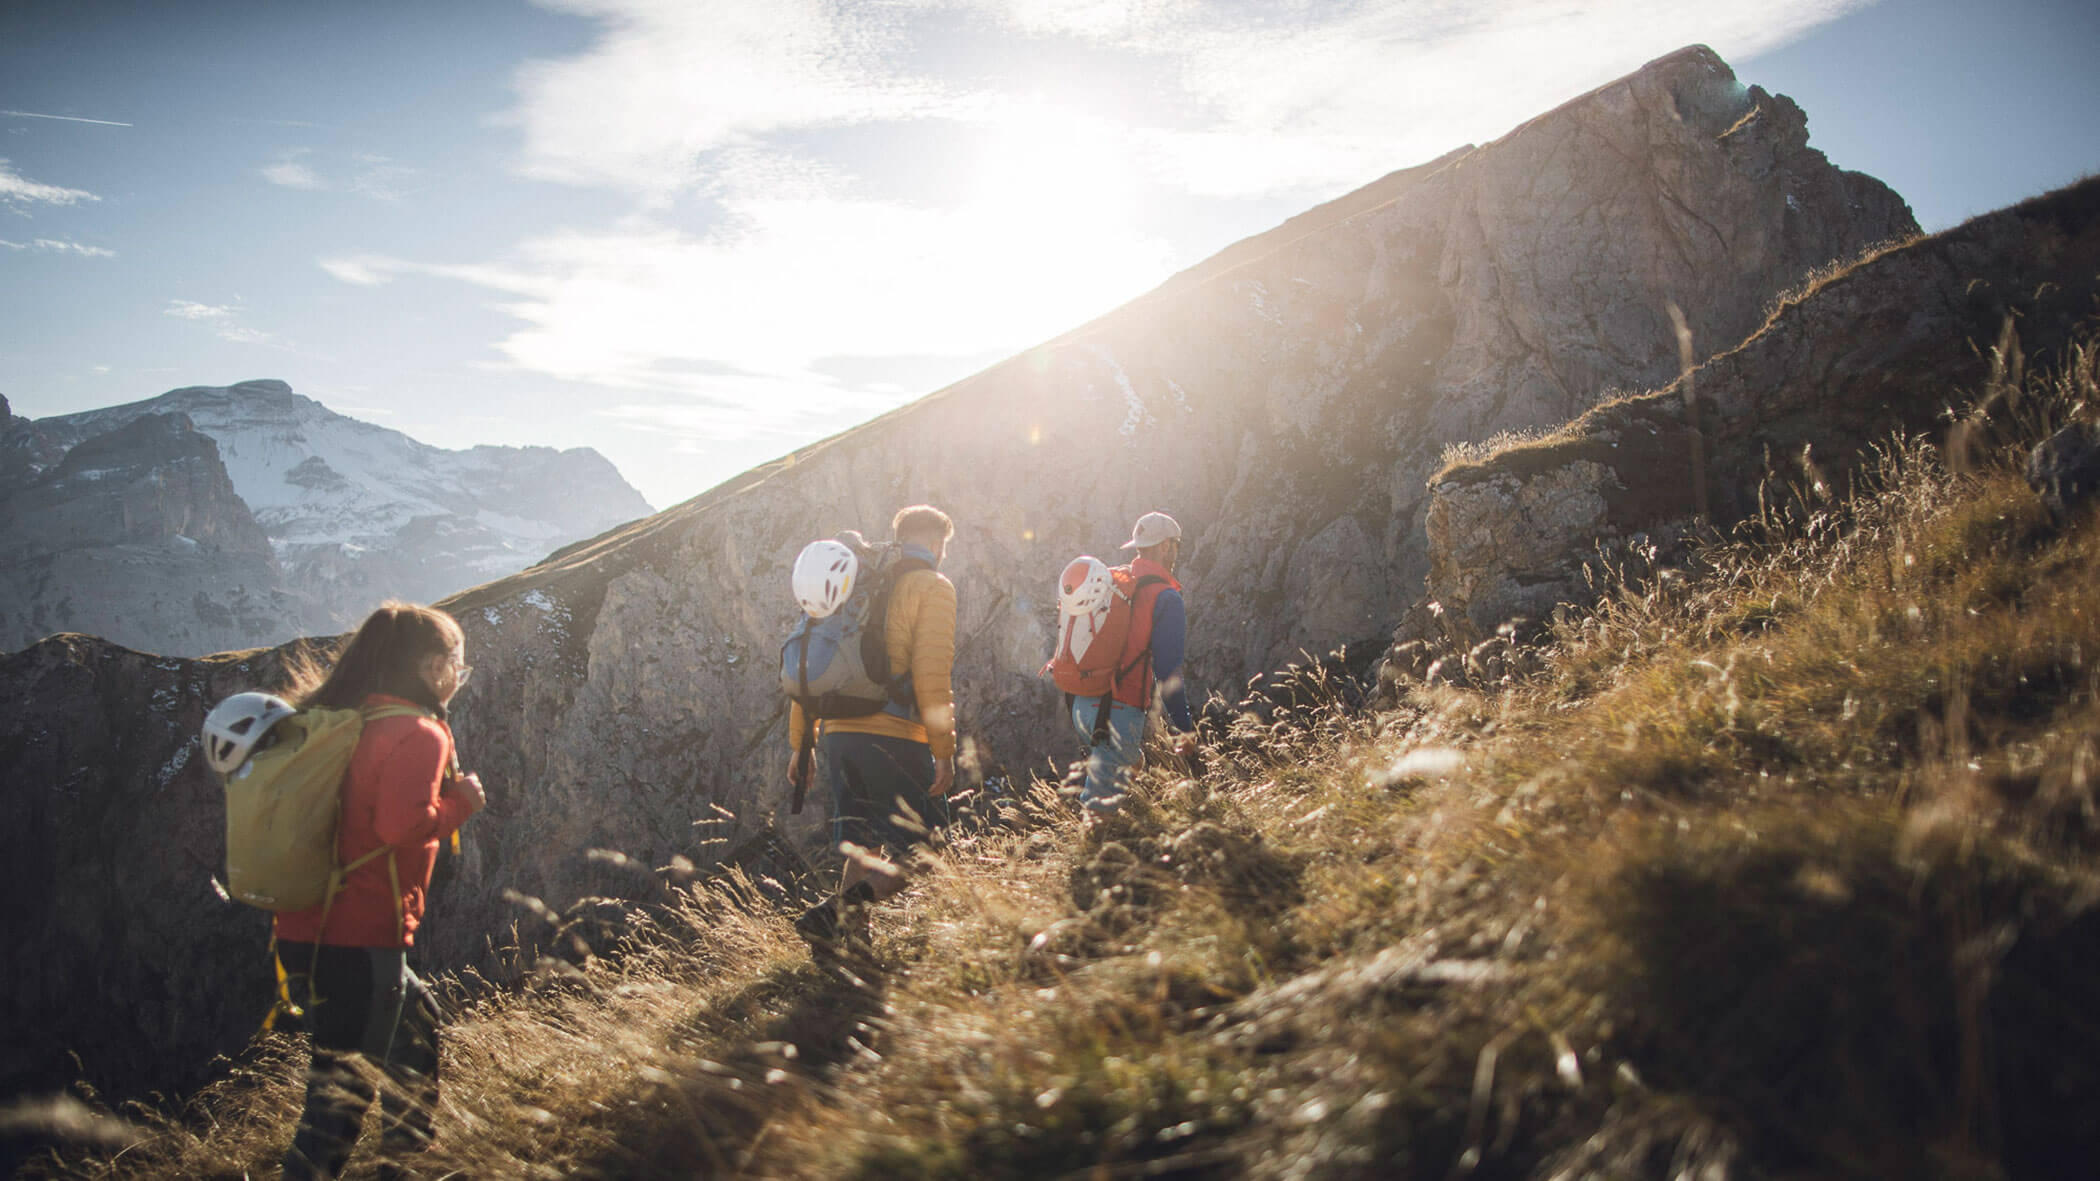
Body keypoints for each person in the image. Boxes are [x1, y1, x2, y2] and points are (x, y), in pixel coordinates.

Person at [273, 603, 486, 1180]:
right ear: (427, 665)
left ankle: (408, 1163)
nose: (458, 678)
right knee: (339, 1101)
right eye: (455, 665)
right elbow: (402, 826)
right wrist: (463, 801)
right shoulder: (417, 732)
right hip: (360, 935)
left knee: (417, 1027)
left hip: (304, 924)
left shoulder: (342, 719)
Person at [787, 504, 960, 956]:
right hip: (892, 735)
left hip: (838, 735)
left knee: (860, 844)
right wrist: (943, 747)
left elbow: (812, 666)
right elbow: (931, 675)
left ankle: (848, 947)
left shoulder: (857, 585)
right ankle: (835, 915)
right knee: (928, 851)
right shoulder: (932, 586)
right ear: (939, 544)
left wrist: (801, 745)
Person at [1069, 511, 1197, 812]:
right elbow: (1168, 672)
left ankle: (1131, 820)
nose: (1177, 550)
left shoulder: (1112, 580)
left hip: (1081, 705)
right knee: (1097, 812)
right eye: (1176, 544)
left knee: (1131, 760)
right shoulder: (1165, 597)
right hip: (1119, 711)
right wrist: (1184, 726)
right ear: (1166, 546)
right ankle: (1093, 847)